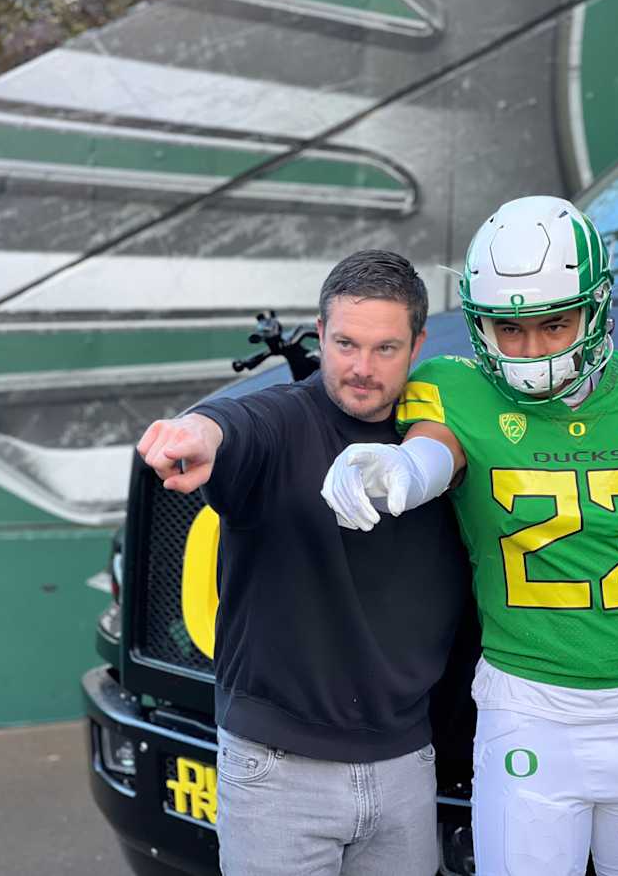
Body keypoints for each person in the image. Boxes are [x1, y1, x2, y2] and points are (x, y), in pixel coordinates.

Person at [322, 197, 618, 876]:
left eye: (554, 323)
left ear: (598, 306)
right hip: (528, 709)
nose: (530, 350)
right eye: (507, 328)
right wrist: (401, 467)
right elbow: (438, 450)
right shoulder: (456, 389)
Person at [137, 249, 474, 876]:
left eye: (385, 349)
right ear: (319, 334)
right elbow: (235, 423)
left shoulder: (446, 433)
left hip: (406, 766)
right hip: (279, 777)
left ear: (419, 344)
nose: (362, 370)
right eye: (345, 344)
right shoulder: (284, 422)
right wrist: (196, 433)